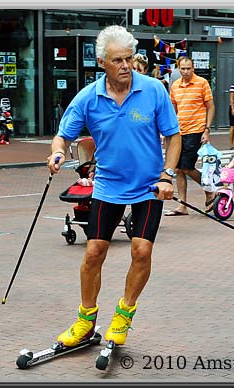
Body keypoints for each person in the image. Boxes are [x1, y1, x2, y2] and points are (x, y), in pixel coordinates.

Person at [46, 25, 182, 349]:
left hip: (150, 186)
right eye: (118, 60)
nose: (125, 66)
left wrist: (168, 175)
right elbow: (63, 135)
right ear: (103, 63)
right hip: (108, 187)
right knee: (94, 252)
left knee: (142, 249)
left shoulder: (153, 90)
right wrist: (57, 152)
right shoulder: (88, 98)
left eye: (129, 58)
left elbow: (173, 136)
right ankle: (85, 321)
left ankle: (123, 314)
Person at [167, 56, 216, 216]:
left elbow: (211, 107)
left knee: (187, 167)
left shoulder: (202, 83)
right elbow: (173, 110)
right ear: (178, 69)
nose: (186, 71)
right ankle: (183, 205)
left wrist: (207, 129)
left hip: (195, 130)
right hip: (179, 131)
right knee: (178, 169)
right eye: (183, 68)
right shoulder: (175, 86)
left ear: (193, 68)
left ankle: (210, 190)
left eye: (189, 68)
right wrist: (169, 131)